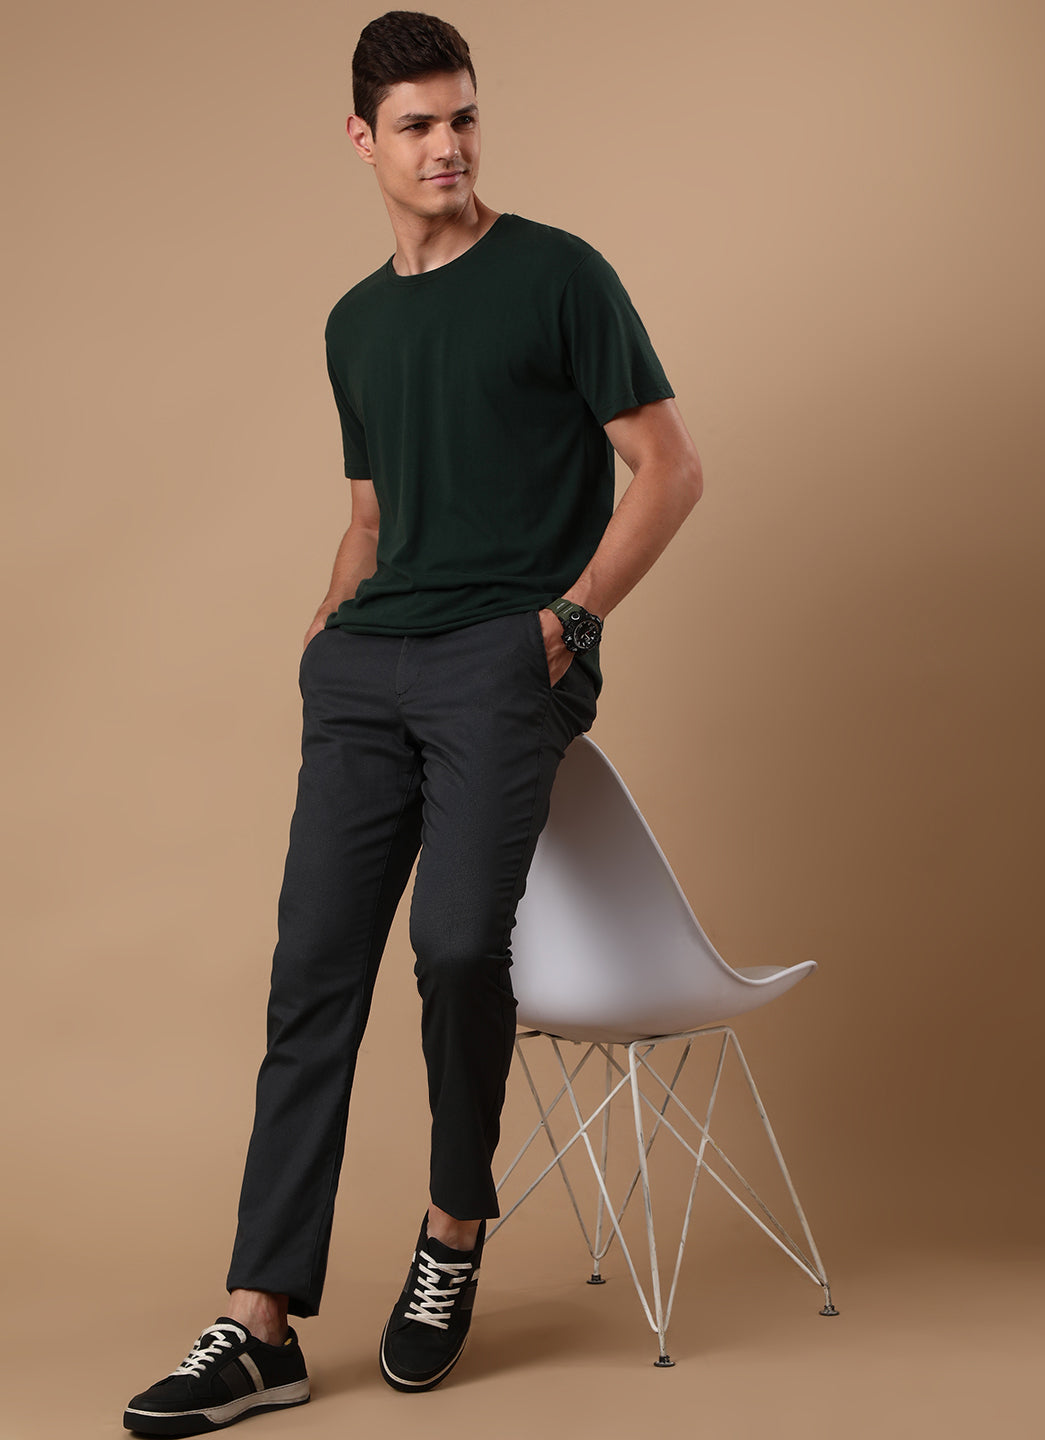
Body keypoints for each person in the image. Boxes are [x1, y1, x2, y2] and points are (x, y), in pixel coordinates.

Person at [123, 10, 702, 1434]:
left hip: (503, 660)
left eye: (464, 118)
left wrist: (565, 624)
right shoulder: (356, 323)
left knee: (452, 945)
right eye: (418, 125)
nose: (448, 147)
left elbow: (669, 468)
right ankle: (258, 1323)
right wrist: (326, 628)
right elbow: (374, 515)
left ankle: (452, 1230)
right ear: (362, 139)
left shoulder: (559, 274)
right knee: (312, 972)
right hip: (366, 673)